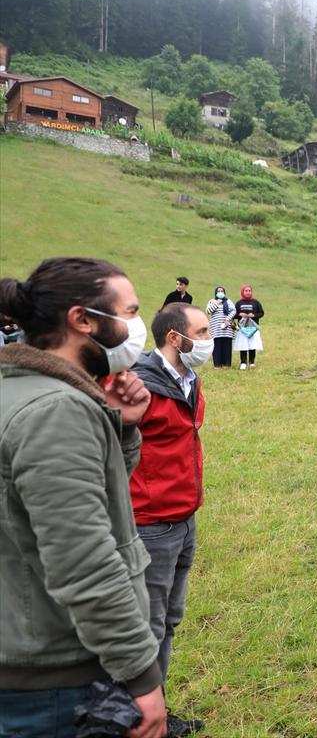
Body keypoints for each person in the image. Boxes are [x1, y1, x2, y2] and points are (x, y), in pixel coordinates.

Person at [0, 257, 167, 738]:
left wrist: (124, 428)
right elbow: (83, 559)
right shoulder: (55, 411)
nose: (136, 327)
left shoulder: (24, 393)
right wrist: (140, 673)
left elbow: (80, 497)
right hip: (53, 682)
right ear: (83, 321)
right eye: (129, 312)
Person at [130, 303, 211, 736]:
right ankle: (139, 718)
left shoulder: (189, 378)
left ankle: (153, 708)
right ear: (175, 338)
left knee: (168, 620)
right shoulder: (138, 385)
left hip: (183, 517)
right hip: (151, 523)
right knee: (147, 625)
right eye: (201, 331)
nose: (209, 338)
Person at [233, 284, 264, 370]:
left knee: (252, 345)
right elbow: (233, 315)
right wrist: (240, 315)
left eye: (249, 291)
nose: (248, 292)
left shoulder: (256, 302)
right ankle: (243, 362)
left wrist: (253, 315)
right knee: (243, 345)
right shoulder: (239, 303)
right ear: (242, 292)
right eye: (246, 291)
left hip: (253, 328)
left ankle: (252, 362)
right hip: (242, 328)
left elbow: (261, 313)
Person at [205, 286, 235, 369]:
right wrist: (216, 303)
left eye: (222, 291)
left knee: (227, 346)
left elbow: (234, 311)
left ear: (224, 293)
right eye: (218, 291)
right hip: (216, 328)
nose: (220, 292)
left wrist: (227, 319)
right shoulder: (212, 301)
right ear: (216, 293)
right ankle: (217, 365)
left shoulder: (228, 301)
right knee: (217, 346)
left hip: (227, 328)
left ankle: (226, 364)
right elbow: (208, 311)